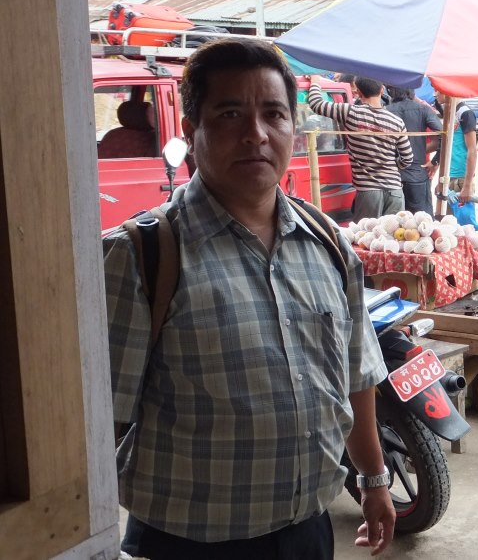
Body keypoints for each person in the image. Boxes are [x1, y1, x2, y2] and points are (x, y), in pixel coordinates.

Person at [104, 38, 396, 559]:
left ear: (292, 127)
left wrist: (374, 479)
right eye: (230, 113)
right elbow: (101, 426)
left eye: (273, 114)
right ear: (191, 134)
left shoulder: (327, 242)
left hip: (308, 532)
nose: (256, 134)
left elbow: (356, 376)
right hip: (185, 543)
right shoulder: (143, 255)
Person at [308, 75, 413, 220]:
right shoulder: (396, 121)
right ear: (382, 90)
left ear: (358, 92)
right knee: (392, 239)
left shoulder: (351, 112)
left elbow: (316, 104)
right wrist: (390, 166)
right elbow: (407, 158)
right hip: (395, 191)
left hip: (368, 192)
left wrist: (315, 82)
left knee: (365, 239)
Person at [386, 85, 442, 214]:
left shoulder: (385, 111)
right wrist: (436, 160)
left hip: (391, 178)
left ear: (390, 92)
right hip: (417, 176)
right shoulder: (423, 110)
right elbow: (444, 135)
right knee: (422, 225)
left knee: (393, 226)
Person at [434, 95, 478, 206]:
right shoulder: (450, 111)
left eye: (438, 90)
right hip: (448, 177)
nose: (435, 94)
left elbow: (472, 150)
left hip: (461, 179)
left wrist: (467, 185)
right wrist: (440, 180)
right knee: (447, 221)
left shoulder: (465, 113)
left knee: (465, 221)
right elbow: (447, 147)